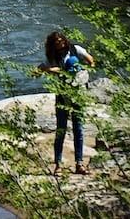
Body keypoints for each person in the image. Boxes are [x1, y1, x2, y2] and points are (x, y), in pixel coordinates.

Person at [42, 30, 94, 174]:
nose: (60, 44)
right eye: (57, 42)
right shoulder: (52, 56)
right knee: (61, 129)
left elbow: (90, 60)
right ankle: (58, 165)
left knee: (78, 128)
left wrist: (81, 70)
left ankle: (79, 163)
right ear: (52, 45)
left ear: (65, 40)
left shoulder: (76, 50)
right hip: (62, 93)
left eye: (61, 41)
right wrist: (41, 70)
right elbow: (44, 67)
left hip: (78, 92)